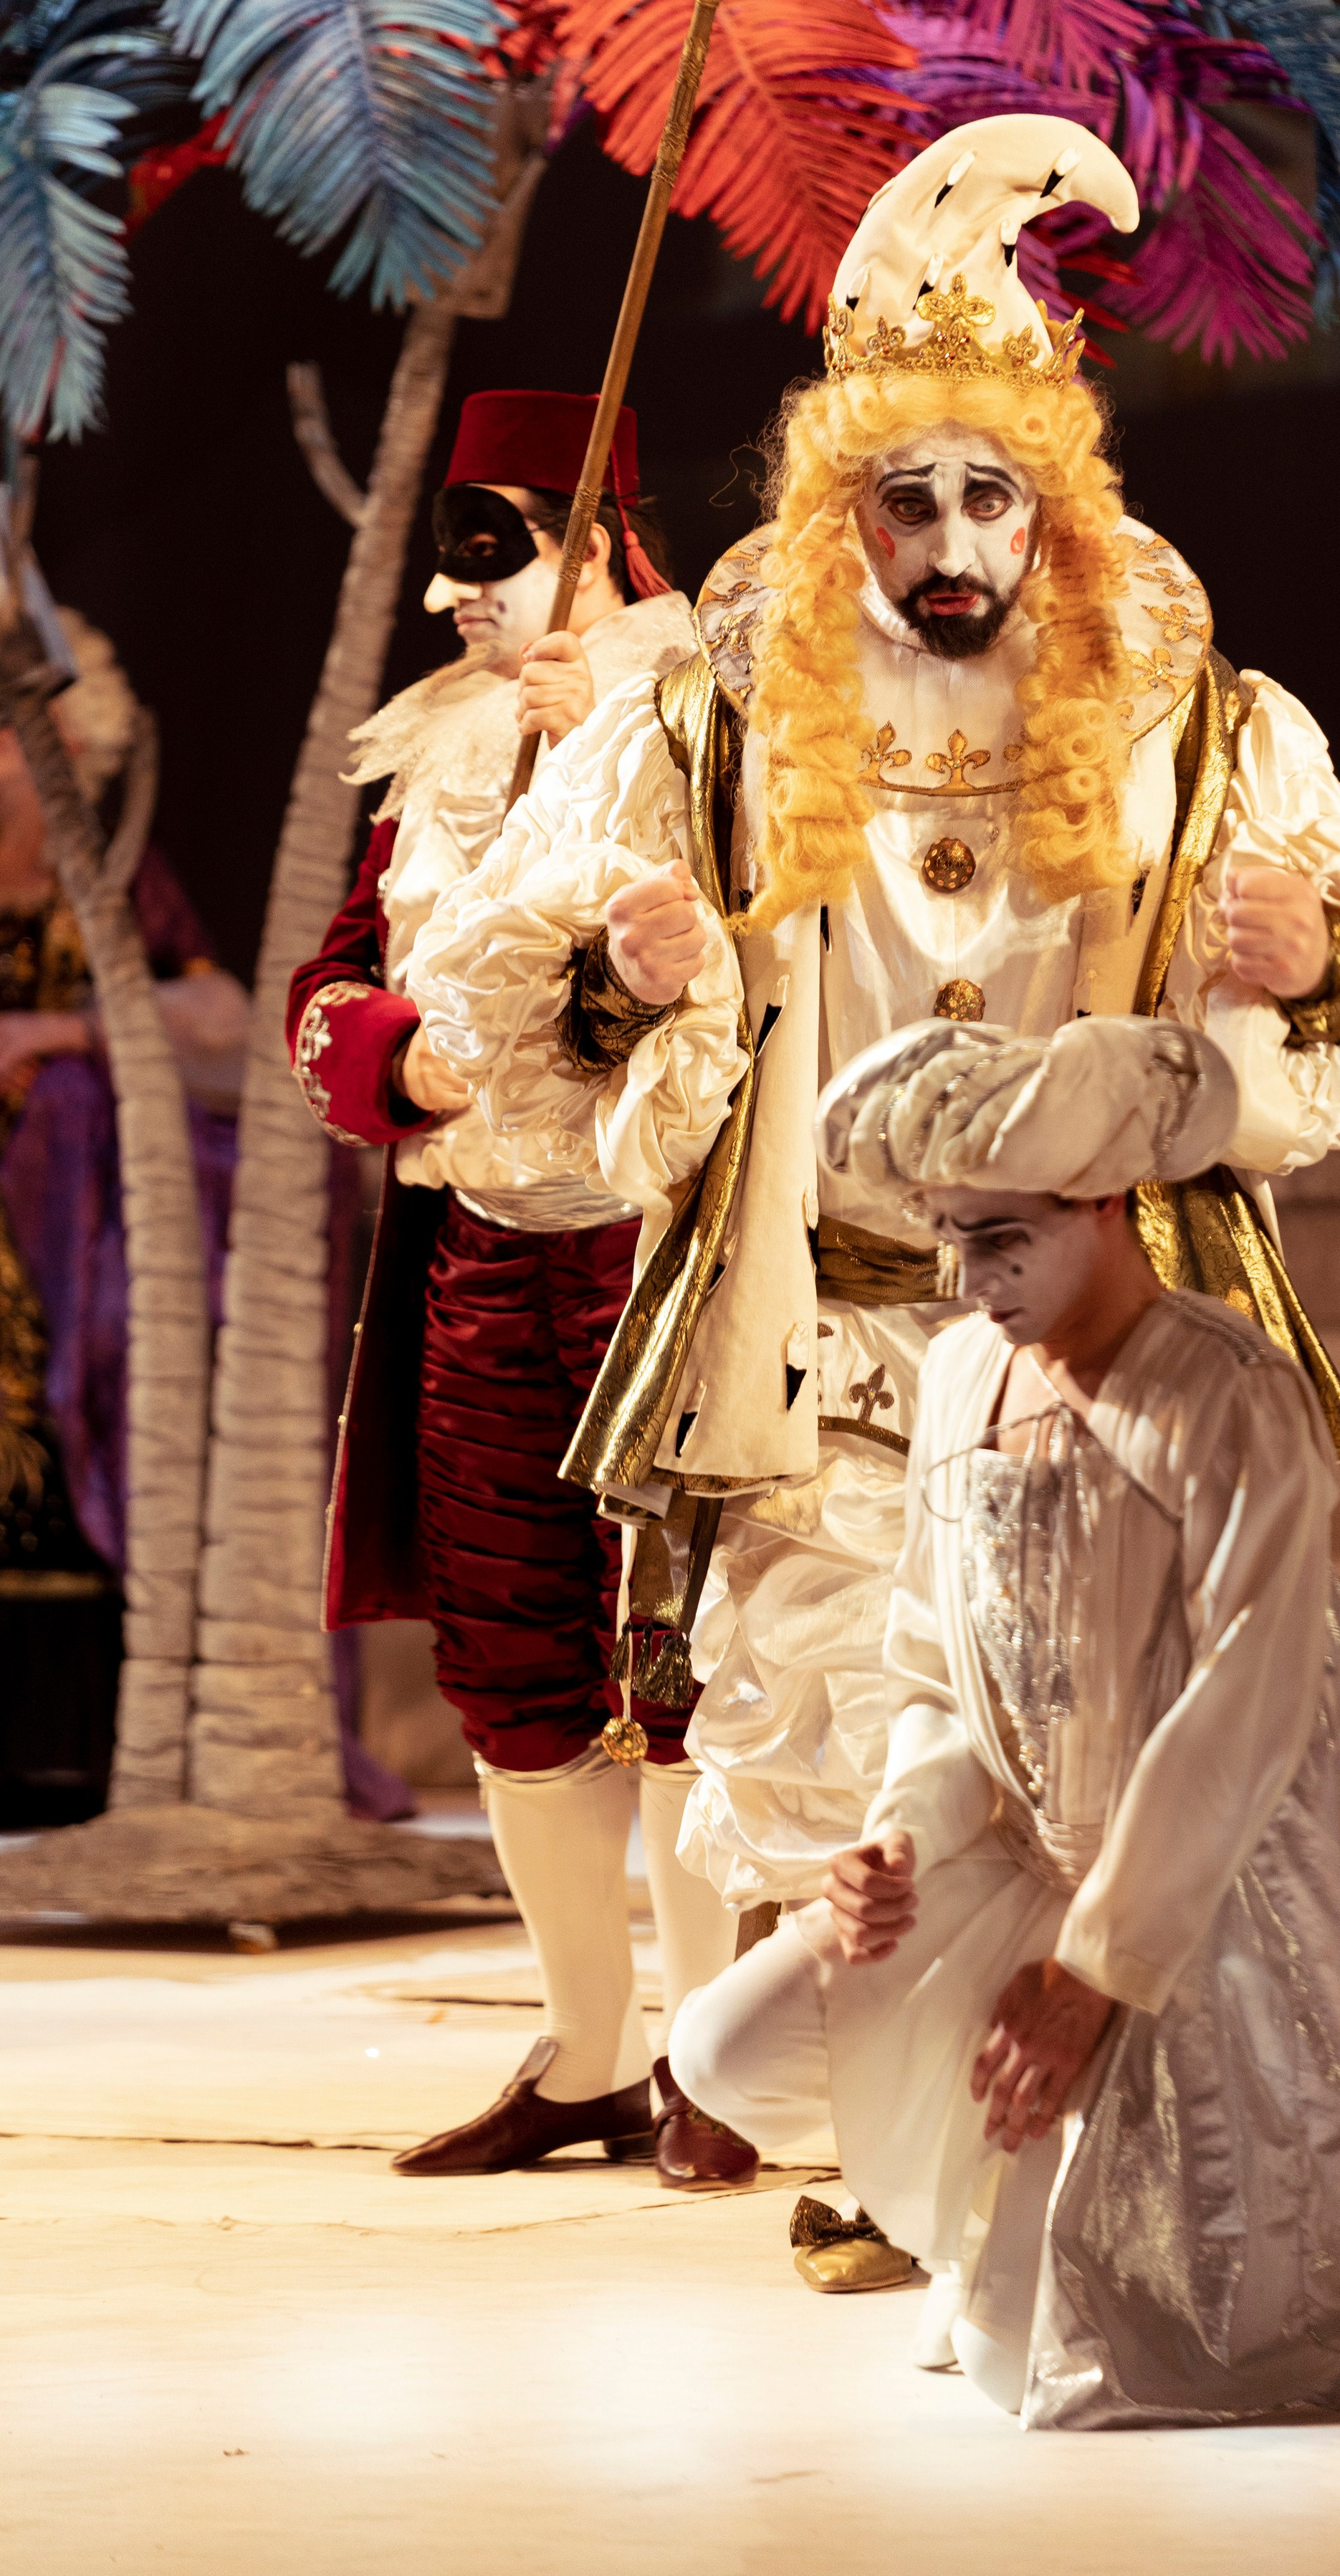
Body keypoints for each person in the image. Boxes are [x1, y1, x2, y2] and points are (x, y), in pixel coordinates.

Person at [405, 118, 1340, 2039]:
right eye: (906, 501)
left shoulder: (1191, 718)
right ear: (844, 516)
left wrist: (1316, 967)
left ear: (1054, 510)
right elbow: (491, 1002)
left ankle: (1013, 2132)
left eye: (994, 497)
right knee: (842, 1759)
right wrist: (613, 983)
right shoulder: (712, 722)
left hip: (1088, 1360)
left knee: (1076, 1757)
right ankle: (876, 2151)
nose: (954, 543)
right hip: (822, 1346)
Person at [671, 1015, 1340, 2426]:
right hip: (1009, 1858)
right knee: (721, 2048)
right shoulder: (958, 1375)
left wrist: (1092, 1972)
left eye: (1001, 1235)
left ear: (1103, 1202)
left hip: (1190, 1911)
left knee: (1049, 2362)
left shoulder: (1226, 1391)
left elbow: (1245, 1706)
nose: (971, 1277)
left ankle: (1018, 2209)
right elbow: (934, 1664)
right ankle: (981, 2193)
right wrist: (894, 1841)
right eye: (948, 1237)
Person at [287, 389, 753, 2183]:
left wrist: (616, 760)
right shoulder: (439, 753)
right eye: (450, 555)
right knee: (508, 1663)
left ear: (593, 545)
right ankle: (586, 2051)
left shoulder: (709, 713)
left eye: (494, 548)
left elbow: (757, 935)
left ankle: (719, 2058)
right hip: (484, 1250)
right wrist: (393, 1067)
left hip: (663, 1254)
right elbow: (338, 983)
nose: (451, 596)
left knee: (692, 1669)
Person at [1, 612, 254, 1824]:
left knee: (109, 1364)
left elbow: (223, 1013)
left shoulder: (112, 873)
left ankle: (83, 1753)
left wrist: (63, 1035)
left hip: (78, 1209)